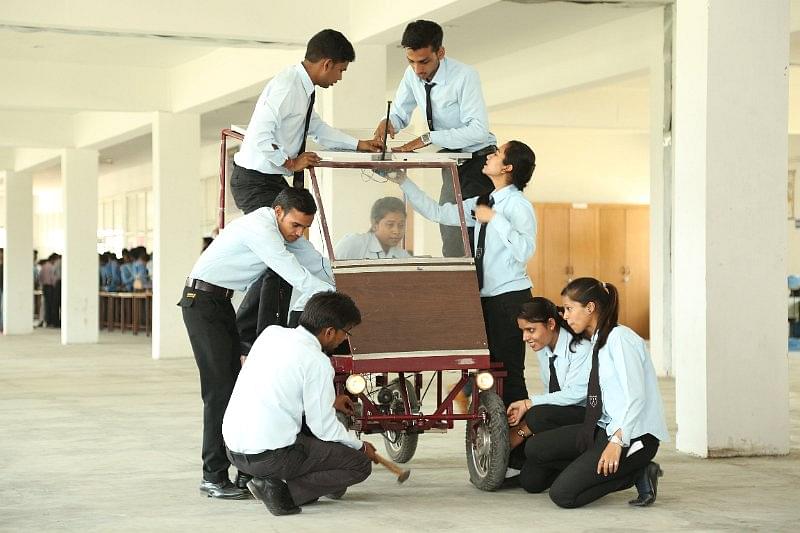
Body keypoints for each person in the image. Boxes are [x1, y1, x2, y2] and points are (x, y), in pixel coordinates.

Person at [232, 28, 384, 359]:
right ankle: (256, 337)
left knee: (289, 252)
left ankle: (254, 333)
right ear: (327, 63)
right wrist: (290, 162)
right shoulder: (287, 86)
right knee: (279, 256)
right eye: (340, 70)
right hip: (255, 179)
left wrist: (358, 145)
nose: (339, 77)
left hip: (271, 180)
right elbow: (259, 137)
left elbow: (317, 129)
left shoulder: (304, 90)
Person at [179, 187, 335, 500]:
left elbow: (317, 264)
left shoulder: (285, 232)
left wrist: (352, 281)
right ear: (278, 212)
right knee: (220, 392)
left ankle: (243, 473)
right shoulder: (261, 229)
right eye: (295, 225)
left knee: (238, 390)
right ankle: (213, 477)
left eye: (305, 227)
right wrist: (334, 298)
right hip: (202, 304)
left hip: (221, 304)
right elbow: (294, 273)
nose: (299, 232)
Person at [386, 141, 537, 406]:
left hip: (509, 297)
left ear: (508, 168)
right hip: (485, 297)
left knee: (510, 374)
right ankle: (488, 429)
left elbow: (524, 251)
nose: (489, 156)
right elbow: (438, 213)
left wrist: (495, 219)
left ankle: (520, 430)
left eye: (497, 154)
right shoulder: (484, 201)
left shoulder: (518, 205)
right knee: (486, 370)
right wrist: (403, 181)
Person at [223, 291, 378, 516]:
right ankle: (279, 492)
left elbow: (280, 388)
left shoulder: (271, 334)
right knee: (359, 464)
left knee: (326, 451)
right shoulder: (318, 362)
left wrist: (331, 401)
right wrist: (360, 446)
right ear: (329, 332)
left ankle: (272, 483)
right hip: (270, 457)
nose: (345, 339)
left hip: (233, 449)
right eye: (346, 332)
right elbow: (323, 428)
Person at [521, 277, 669, 508]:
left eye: (569, 309)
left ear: (590, 308)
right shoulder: (598, 340)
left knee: (563, 495)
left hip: (635, 438)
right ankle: (587, 468)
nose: (565, 316)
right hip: (604, 428)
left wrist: (617, 442)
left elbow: (636, 397)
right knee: (535, 448)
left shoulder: (620, 339)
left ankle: (637, 472)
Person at [373, 19, 497, 257]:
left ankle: (480, 282)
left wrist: (427, 138)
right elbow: (399, 113)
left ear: (440, 52)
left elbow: (479, 130)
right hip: (451, 162)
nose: (417, 69)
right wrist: (388, 122)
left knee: (477, 239)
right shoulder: (412, 75)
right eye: (411, 61)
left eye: (424, 61)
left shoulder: (465, 76)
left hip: (479, 162)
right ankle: (456, 281)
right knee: (450, 235)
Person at [504, 297, 591, 475]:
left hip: (588, 414)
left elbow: (577, 394)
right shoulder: (544, 347)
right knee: (531, 480)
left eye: (530, 330)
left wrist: (528, 408)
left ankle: (589, 463)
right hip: (564, 414)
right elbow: (550, 391)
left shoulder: (580, 347)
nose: (525, 338)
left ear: (551, 324)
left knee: (536, 414)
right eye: (523, 331)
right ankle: (572, 466)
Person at [334, 197, 411, 260]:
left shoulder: (403, 256)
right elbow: (330, 271)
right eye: (390, 225)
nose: (396, 231)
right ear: (375, 224)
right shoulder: (353, 243)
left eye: (401, 225)